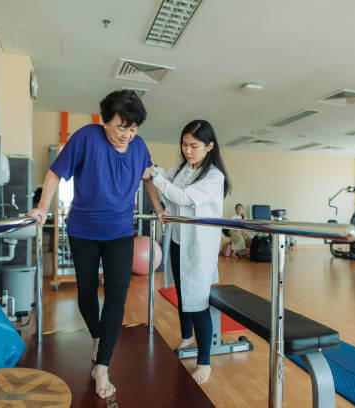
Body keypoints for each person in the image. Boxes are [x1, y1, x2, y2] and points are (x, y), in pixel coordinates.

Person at [28, 90, 164, 399]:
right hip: (83, 230)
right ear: (104, 121)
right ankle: (97, 336)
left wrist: (157, 207)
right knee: (86, 292)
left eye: (133, 129)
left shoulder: (139, 146)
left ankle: (102, 366)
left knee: (117, 296)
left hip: (119, 232)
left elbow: (148, 178)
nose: (126, 135)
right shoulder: (85, 138)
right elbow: (55, 173)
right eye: (120, 127)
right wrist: (42, 207)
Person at [149, 119, 230, 384]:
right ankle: (186, 337)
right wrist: (154, 170)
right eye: (184, 144)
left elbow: (183, 197)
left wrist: (156, 177)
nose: (188, 150)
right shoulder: (184, 168)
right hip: (178, 241)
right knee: (182, 293)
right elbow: (167, 179)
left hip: (198, 247)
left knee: (198, 301)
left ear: (209, 146)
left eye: (194, 145)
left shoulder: (214, 176)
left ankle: (204, 361)